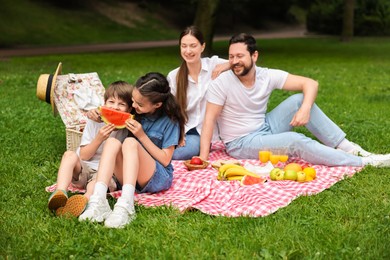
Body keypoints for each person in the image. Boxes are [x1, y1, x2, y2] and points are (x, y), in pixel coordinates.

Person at [199, 33, 390, 167]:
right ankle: (362, 162)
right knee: (294, 141)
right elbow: (209, 120)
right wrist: (203, 158)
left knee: (300, 99)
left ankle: (349, 148)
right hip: (241, 143)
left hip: (265, 127)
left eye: (240, 56)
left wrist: (305, 108)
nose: (234, 61)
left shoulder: (266, 76)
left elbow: (310, 84)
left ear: (254, 56)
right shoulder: (222, 82)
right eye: (231, 57)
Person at [79, 72, 185, 228]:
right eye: (133, 101)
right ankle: (99, 201)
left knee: (129, 142)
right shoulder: (135, 112)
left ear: (157, 105)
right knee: (112, 143)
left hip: (156, 177)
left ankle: (127, 205)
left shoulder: (170, 121)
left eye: (139, 104)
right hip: (129, 177)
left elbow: (165, 159)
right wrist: (95, 113)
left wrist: (141, 136)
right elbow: (114, 107)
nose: (134, 106)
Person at [48, 81, 133, 217]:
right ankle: (60, 192)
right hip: (82, 168)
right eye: (111, 102)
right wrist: (99, 138)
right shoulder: (94, 122)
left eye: (121, 104)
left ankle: (84, 200)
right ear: (104, 103)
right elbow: (84, 156)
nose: (115, 108)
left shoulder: (129, 128)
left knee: (95, 185)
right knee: (69, 155)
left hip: (104, 174)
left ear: (129, 110)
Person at [167, 25, 230, 160]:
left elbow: (243, 63)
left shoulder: (214, 64)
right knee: (179, 152)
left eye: (193, 46)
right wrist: (177, 133)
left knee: (180, 153)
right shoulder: (174, 76)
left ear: (202, 47)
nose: (188, 51)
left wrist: (228, 64)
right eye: (184, 46)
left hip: (212, 130)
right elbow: (171, 111)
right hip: (189, 131)